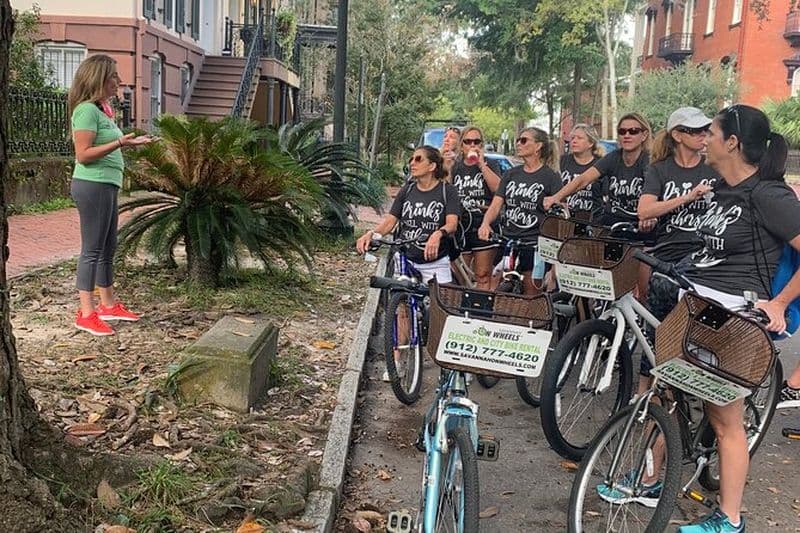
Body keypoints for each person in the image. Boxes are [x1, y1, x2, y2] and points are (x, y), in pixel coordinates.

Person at [676, 105, 800, 532]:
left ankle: (729, 518)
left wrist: (780, 303)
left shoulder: (769, 194)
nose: (702, 138)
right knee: (661, 390)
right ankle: (653, 480)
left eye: (710, 132)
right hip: (696, 306)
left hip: (733, 316)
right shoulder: (721, 189)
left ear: (731, 142)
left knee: (725, 419)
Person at [68, 54, 154, 336]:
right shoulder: (86, 111)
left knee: (107, 248)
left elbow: (107, 145)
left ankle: (107, 305)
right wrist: (119, 141)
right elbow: (83, 155)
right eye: (114, 76)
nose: (119, 81)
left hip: (106, 185)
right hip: (92, 185)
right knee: (92, 250)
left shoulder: (102, 110)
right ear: (99, 79)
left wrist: (130, 143)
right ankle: (86, 313)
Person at [356, 146, 460, 284]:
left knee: (438, 302)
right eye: (411, 159)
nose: (412, 163)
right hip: (405, 258)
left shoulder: (448, 191)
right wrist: (371, 233)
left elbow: (452, 224)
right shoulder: (407, 190)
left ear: (432, 166)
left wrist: (438, 234)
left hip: (435, 262)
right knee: (400, 300)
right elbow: (390, 222)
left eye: (418, 159)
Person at [477, 127, 562, 295]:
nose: (518, 144)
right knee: (496, 286)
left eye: (524, 140)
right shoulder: (511, 174)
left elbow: (559, 214)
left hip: (534, 244)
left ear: (538, 146)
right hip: (509, 241)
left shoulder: (550, 177)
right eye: (518, 140)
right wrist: (485, 223)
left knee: (531, 294)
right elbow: (496, 204)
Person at [544, 113, 654, 237]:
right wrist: (556, 197)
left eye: (633, 131)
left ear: (644, 135)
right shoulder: (613, 157)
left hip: (639, 225)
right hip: (611, 225)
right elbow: (583, 179)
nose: (627, 135)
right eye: (622, 131)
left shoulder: (650, 161)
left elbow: (655, 191)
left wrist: (651, 214)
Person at [449, 126, 503, 289]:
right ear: (461, 145)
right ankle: (460, 311)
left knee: (483, 275)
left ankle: (481, 311)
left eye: (477, 141)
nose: (472, 145)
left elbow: (498, 189)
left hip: (483, 222)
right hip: (462, 225)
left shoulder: (490, 164)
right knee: (460, 275)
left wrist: (481, 165)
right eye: (468, 141)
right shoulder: (456, 166)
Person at [559, 124, 604, 220]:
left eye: (579, 138)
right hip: (565, 220)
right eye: (573, 138)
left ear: (591, 143)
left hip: (592, 220)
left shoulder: (601, 164)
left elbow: (606, 196)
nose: (574, 141)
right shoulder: (562, 162)